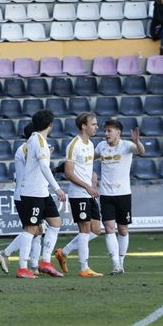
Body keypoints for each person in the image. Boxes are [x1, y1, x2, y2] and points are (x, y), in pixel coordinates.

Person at [0, 110, 66, 279]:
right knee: (31, 229)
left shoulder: (35, 141)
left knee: (55, 223)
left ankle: (44, 262)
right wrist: (57, 187)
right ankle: (23, 268)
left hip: (41, 191)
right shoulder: (37, 142)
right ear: (50, 125)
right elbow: (43, 166)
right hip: (31, 191)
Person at [94, 120, 145, 275]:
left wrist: (137, 141)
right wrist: (91, 173)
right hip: (106, 194)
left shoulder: (126, 145)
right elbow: (89, 159)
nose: (106, 134)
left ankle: (121, 261)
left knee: (122, 230)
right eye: (105, 131)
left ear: (118, 132)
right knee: (109, 228)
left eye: (109, 131)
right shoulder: (101, 146)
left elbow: (141, 151)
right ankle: (116, 263)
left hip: (123, 194)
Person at [0, 124, 45, 276]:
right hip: (25, 194)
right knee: (31, 229)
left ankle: (33, 265)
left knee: (38, 229)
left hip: (33, 192)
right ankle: (13, 258)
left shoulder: (28, 148)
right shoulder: (25, 149)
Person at [62, 112, 104, 278]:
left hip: (88, 192)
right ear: (83, 126)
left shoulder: (90, 144)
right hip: (79, 194)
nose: (96, 127)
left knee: (96, 230)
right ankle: (84, 267)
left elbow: (84, 167)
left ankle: (64, 251)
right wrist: (87, 186)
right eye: (93, 124)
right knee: (85, 229)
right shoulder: (74, 145)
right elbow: (69, 173)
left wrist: (92, 177)